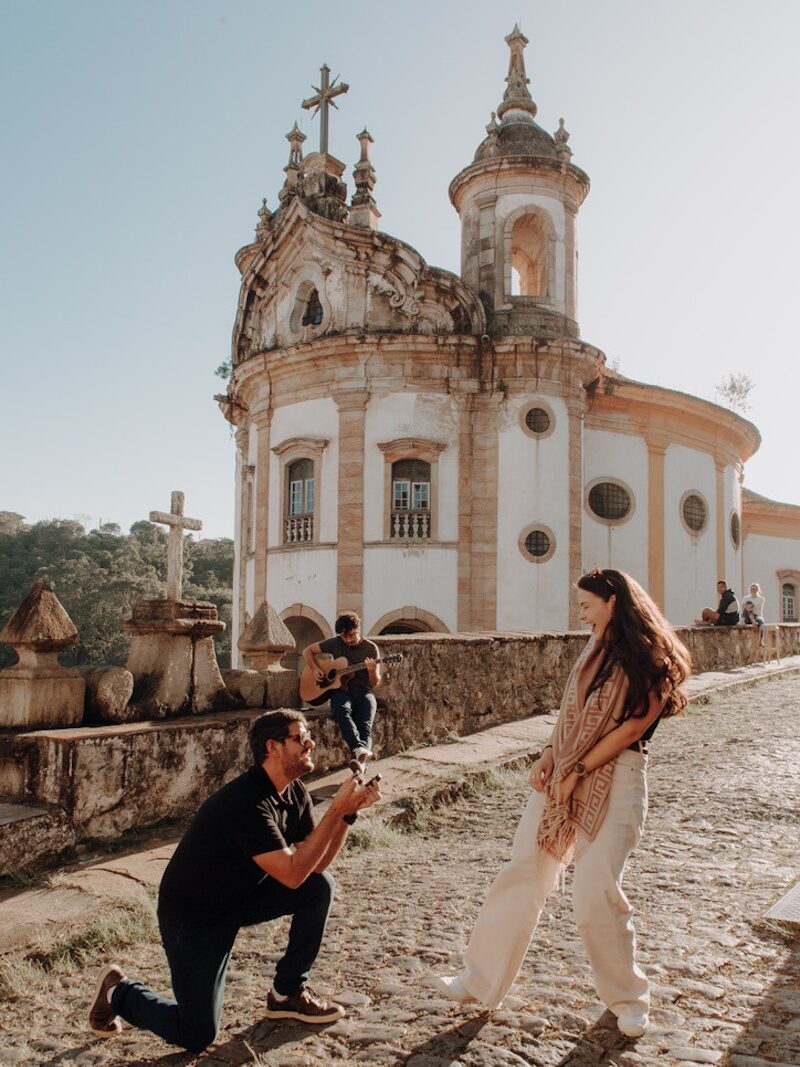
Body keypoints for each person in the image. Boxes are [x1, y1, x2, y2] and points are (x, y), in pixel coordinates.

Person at [437, 568, 691, 1040]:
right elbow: (569, 714)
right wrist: (551, 755)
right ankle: (478, 980)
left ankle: (629, 999)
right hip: (564, 774)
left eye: (586, 605)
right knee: (522, 870)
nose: (581, 614)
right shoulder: (592, 653)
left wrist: (578, 770)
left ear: (613, 602)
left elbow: (634, 727)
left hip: (619, 776)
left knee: (596, 893)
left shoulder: (654, 657)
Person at [88, 710, 381, 1053]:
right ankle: (117, 991)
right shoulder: (246, 801)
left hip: (240, 899)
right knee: (196, 1033)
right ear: (273, 747)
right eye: (301, 738)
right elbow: (292, 873)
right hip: (194, 917)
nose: (311, 744)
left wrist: (347, 814)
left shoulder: (295, 793)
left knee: (319, 887)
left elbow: (314, 867)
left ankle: (286, 994)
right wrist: (335, 809)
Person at [303, 612, 382, 770]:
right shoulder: (336, 643)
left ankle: (360, 763)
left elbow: (375, 683)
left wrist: (372, 670)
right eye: (344, 637)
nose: (347, 640)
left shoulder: (370, 648)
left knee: (365, 723)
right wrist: (315, 668)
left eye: (351, 635)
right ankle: (359, 750)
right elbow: (308, 651)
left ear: (358, 629)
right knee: (340, 708)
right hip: (342, 690)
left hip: (364, 691)